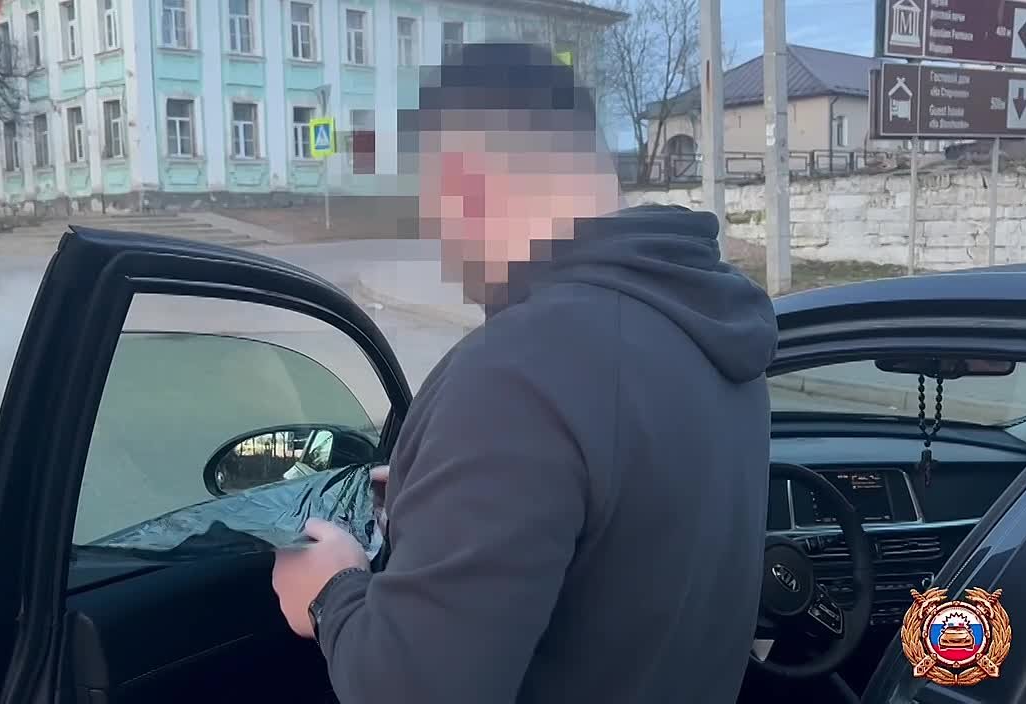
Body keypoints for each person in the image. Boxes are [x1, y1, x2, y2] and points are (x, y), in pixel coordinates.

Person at [272, 42, 779, 703]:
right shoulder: (709, 326)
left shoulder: (516, 374)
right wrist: (440, 491)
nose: (442, 250)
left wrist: (331, 593)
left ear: (466, 180)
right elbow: (621, 523)